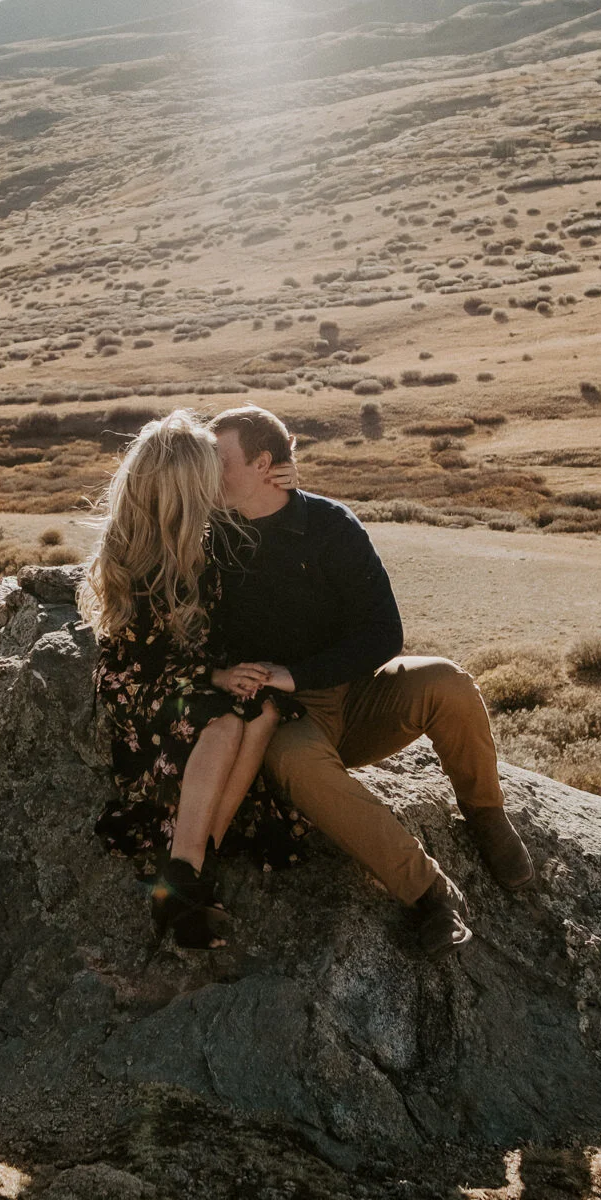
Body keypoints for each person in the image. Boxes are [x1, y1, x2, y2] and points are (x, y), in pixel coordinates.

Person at [204, 404, 534, 953]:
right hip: (286, 718)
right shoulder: (210, 536)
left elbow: (385, 632)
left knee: (448, 682)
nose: (205, 473)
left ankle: (485, 815)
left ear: (264, 464)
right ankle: (430, 894)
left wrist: (301, 672)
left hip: (356, 697)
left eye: (217, 460)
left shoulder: (330, 525)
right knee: (293, 764)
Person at [85, 410, 309, 948]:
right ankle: (187, 872)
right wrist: (216, 675)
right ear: (181, 492)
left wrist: (284, 483)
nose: (218, 485)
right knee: (224, 724)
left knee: (268, 706)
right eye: (206, 478)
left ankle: (186, 867)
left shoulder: (211, 533)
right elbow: (142, 665)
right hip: (146, 688)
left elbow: (278, 541)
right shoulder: (136, 560)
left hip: (198, 677)